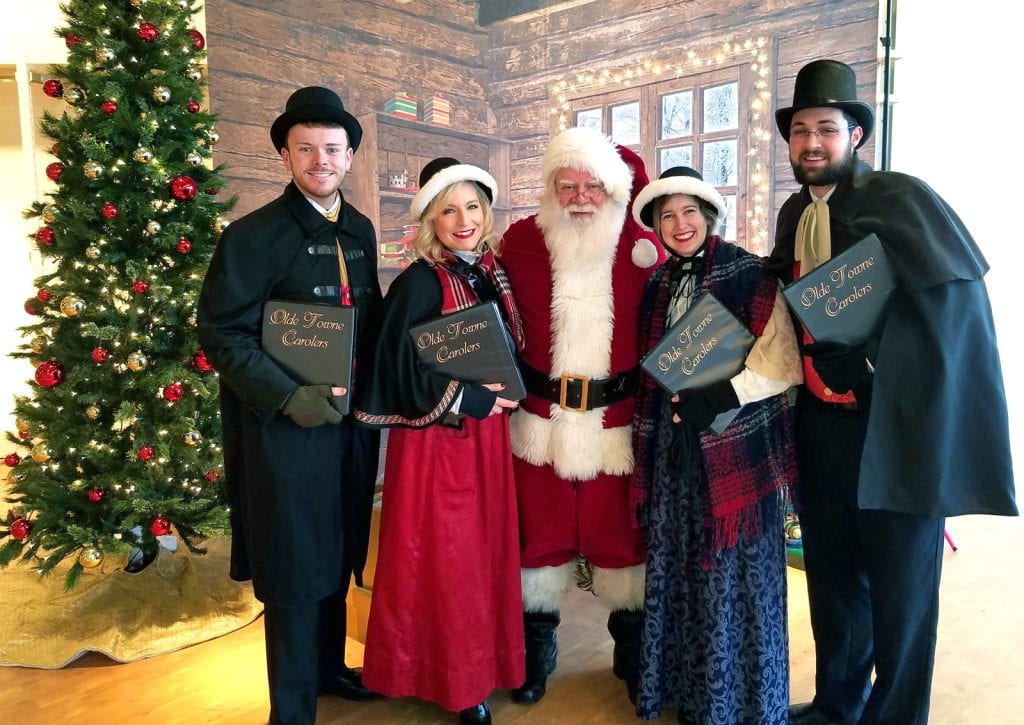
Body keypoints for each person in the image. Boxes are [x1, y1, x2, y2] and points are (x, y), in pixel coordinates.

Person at [769, 59, 1018, 725]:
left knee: (903, 591)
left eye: (827, 128)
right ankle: (836, 703)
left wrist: (876, 360)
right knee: (831, 576)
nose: (813, 143)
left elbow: (955, 313)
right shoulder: (795, 212)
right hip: (821, 429)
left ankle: (898, 714)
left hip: (893, 431)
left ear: (855, 135)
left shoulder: (900, 198)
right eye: (800, 131)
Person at [197, 86, 384, 725]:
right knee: (295, 560)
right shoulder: (251, 237)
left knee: (337, 546)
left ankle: (330, 671)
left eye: (332, 148)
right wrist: (285, 396)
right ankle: (292, 709)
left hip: (350, 428)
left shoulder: (359, 232)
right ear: (285, 154)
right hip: (285, 433)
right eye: (305, 148)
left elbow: (373, 322)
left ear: (350, 155)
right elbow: (220, 332)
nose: (320, 159)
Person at [354, 158, 526, 725]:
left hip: (487, 443)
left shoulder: (486, 272)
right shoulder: (421, 280)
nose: (463, 219)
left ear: (487, 211)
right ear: (430, 217)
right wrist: (470, 398)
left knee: (483, 556)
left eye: (472, 206)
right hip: (439, 446)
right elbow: (395, 363)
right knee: (450, 561)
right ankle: (458, 682)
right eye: (448, 209)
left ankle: (486, 666)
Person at [628, 166, 802, 723]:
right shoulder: (657, 285)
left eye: (689, 212)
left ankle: (740, 704)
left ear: (709, 216)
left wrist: (723, 395)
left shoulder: (748, 274)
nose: (680, 225)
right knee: (684, 572)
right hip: (675, 456)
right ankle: (689, 693)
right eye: (668, 215)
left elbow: (782, 364)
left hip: (735, 454)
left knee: (733, 580)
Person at [498, 126, 663, 704]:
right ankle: (534, 653)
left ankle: (633, 652)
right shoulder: (520, 242)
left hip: (615, 421)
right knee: (537, 540)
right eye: (566, 185)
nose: (579, 197)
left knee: (622, 539)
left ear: (615, 189)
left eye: (592, 185)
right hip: (540, 419)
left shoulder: (645, 246)